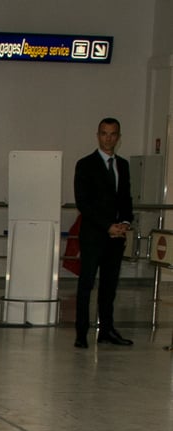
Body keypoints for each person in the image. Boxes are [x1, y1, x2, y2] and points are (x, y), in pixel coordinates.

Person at [74, 118, 133, 348]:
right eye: (104, 134)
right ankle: (81, 333)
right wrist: (107, 225)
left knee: (110, 285)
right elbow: (84, 203)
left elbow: (126, 198)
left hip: (116, 237)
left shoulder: (124, 166)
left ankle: (107, 330)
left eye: (113, 134)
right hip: (93, 236)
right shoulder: (85, 164)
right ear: (98, 135)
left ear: (118, 137)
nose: (108, 138)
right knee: (86, 284)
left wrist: (125, 222)